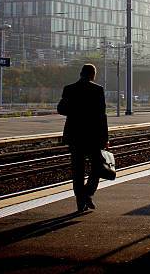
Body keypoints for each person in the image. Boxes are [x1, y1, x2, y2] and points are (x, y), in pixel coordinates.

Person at [57, 64, 109, 212]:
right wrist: (105, 138)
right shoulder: (98, 90)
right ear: (93, 75)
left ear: (81, 73)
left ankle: (80, 201)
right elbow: (102, 116)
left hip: (74, 135)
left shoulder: (69, 89)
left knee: (77, 170)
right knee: (97, 167)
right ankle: (88, 192)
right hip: (93, 136)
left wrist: (75, 111)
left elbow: (61, 109)